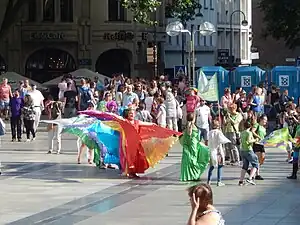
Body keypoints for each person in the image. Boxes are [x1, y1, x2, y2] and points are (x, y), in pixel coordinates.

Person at [179, 113, 210, 182]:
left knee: (191, 160)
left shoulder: (188, 125)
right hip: (193, 144)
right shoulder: (191, 125)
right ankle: (194, 175)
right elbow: (190, 134)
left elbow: (186, 135)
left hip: (192, 144)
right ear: (193, 119)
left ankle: (191, 175)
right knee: (194, 159)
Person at [207, 120, 230, 186]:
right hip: (218, 151)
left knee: (211, 166)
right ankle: (219, 181)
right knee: (220, 166)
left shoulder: (210, 132)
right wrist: (228, 141)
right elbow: (222, 140)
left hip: (212, 150)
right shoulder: (219, 132)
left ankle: (209, 181)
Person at [238, 121, 259, 185]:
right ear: (250, 126)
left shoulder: (242, 133)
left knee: (245, 166)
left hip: (242, 150)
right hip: (249, 150)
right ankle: (250, 178)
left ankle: (241, 181)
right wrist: (255, 140)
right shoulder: (249, 133)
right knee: (255, 164)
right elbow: (249, 141)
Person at [251, 114, 268, 180]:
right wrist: (258, 137)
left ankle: (252, 170)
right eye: (264, 119)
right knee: (257, 159)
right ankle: (257, 174)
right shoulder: (257, 125)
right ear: (261, 119)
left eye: (266, 120)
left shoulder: (264, 128)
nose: (265, 121)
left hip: (262, 144)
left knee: (262, 158)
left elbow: (264, 136)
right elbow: (252, 131)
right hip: (256, 143)